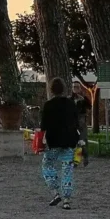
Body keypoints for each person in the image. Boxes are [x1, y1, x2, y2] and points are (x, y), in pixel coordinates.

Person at [40, 77, 81, 211]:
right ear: (64, 89)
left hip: (53, 141)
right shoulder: (71, 104)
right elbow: (77, 122)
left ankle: (55, 192)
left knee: (47, 165)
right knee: (67, 169)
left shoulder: (48, 105)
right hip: (69, 140)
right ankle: (67, 200)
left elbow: (43, 126)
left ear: (51, 90)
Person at [71, 82, 91, 166]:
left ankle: (85, 157)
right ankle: (76, 160)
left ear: (80, 88)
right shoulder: (69, 99)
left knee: (82, 141)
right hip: (72, 123)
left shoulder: (83, 99)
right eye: (74, 87)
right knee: (73, 142)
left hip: (81, 122)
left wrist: (84, 97)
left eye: (77, 87)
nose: (76, 88)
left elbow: (89, 106)